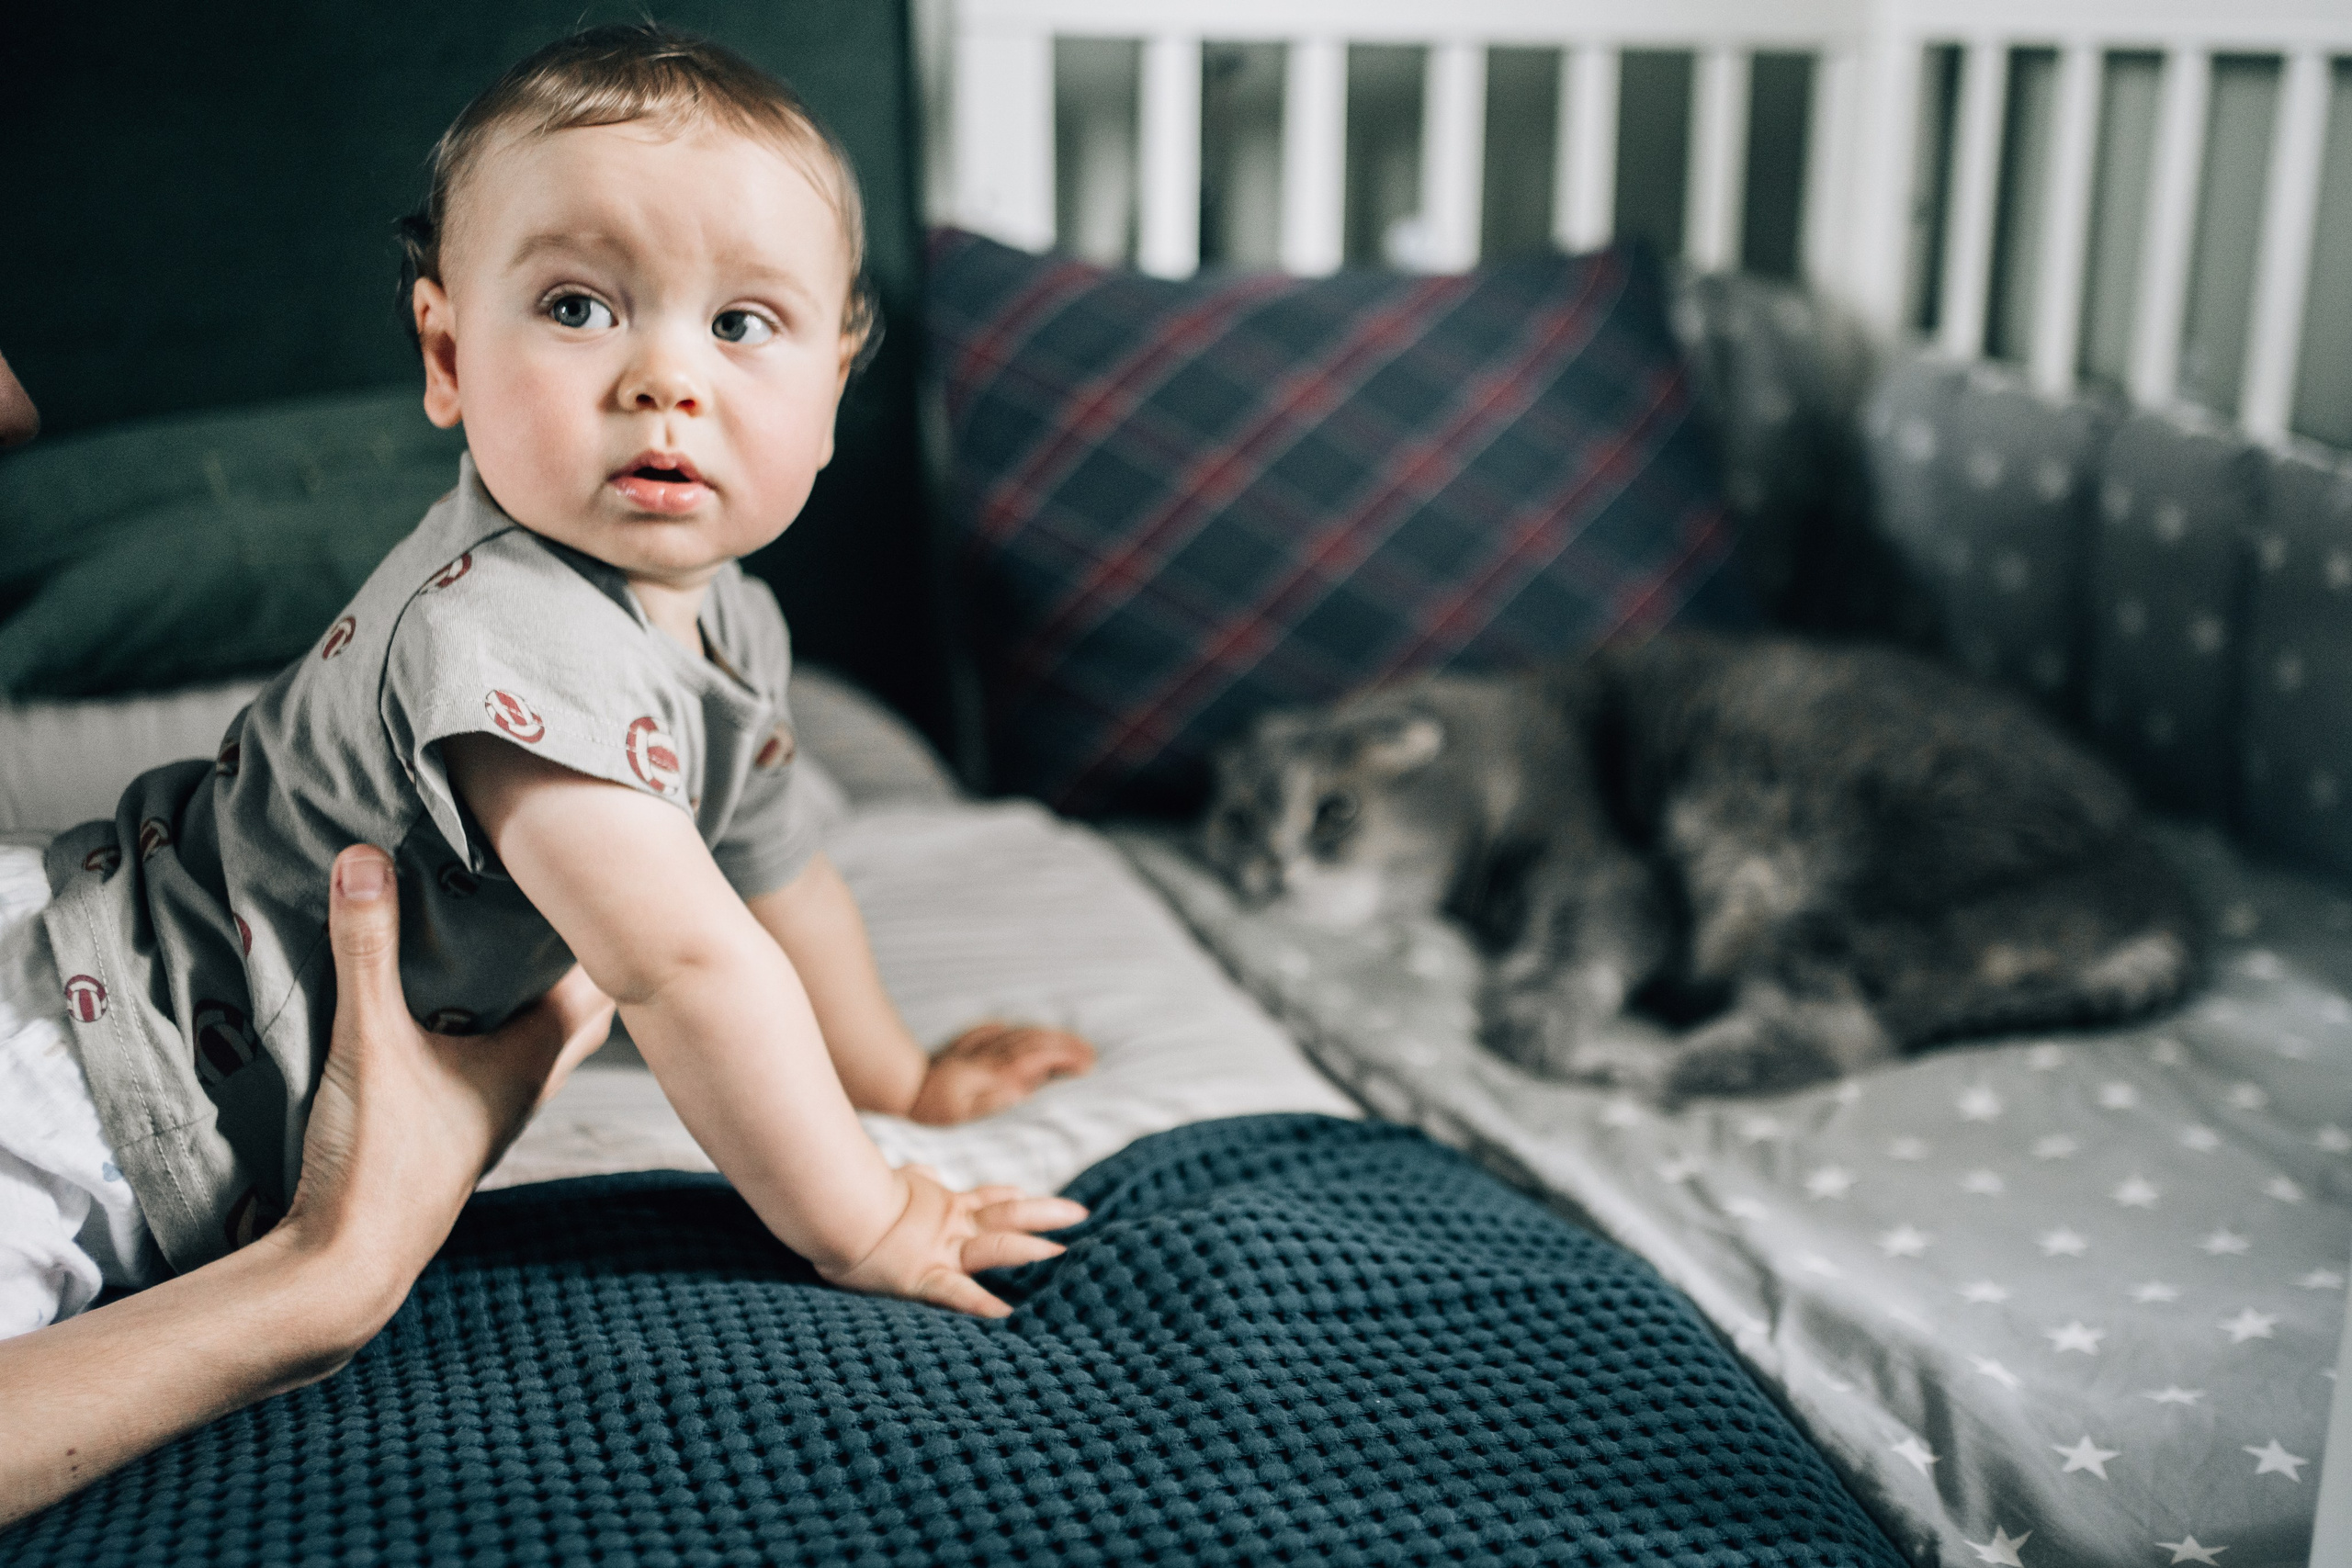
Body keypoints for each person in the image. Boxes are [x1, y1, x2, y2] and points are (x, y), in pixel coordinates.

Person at [13, 19, 1093, 1358]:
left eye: (744, 323)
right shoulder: (511, 634)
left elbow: (776, 880)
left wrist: (904, 1085)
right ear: (450, 356)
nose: (665, 381)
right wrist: (870, 1220)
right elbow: (688, 964)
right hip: (94, 1080)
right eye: (578, 306)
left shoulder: (730, 621)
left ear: (830, 395)